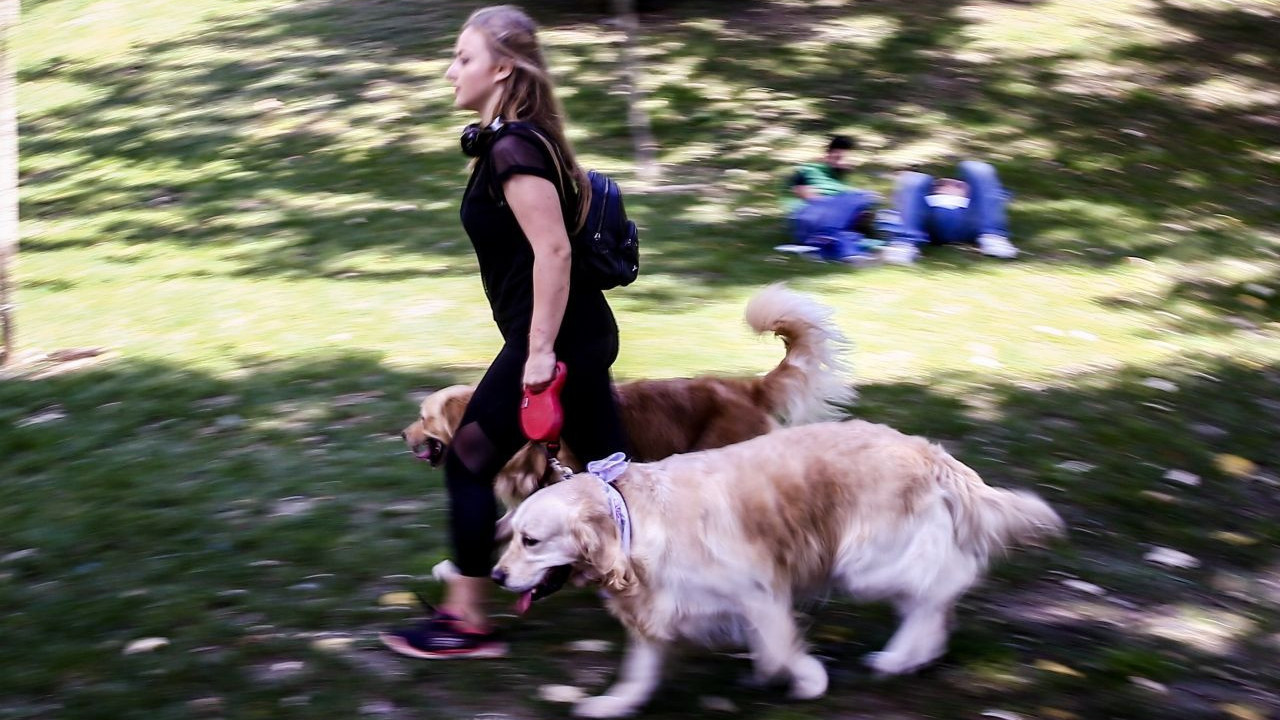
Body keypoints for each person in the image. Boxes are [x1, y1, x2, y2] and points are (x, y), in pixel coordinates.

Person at [381, 4, 629, 660]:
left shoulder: (515, 148)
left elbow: (555, 253)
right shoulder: (518, 142)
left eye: (462, 58)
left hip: (558, 341)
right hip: (578, 333)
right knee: (617, 478)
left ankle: (467, 622)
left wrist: (540, 353)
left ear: (502, 68)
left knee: (467, 461)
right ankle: (686, 586)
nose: (448, 72)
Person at [890, 160, 1019, 259]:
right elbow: (901, 208)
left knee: (976, 167)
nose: (949, 184)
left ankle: (993, 238)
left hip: (970, 221)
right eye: (941, 184)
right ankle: (905, 244)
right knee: (913, 178)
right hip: (930, 223)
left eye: (957, 184)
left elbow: (995, 197)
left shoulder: (978, 197)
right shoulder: (920, 193)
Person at [782, 135, 881, 263]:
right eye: (837, 157)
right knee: (862, 196)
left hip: (835, 225)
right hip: (811, 217)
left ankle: (843, 253)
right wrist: (844, 205)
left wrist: (860, 216)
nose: (841, 162)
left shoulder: (843, 186)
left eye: (846, 159)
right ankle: (829, 243)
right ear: (827, 155)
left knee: (854, 229)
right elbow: (811, 199)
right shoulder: (809, 170)